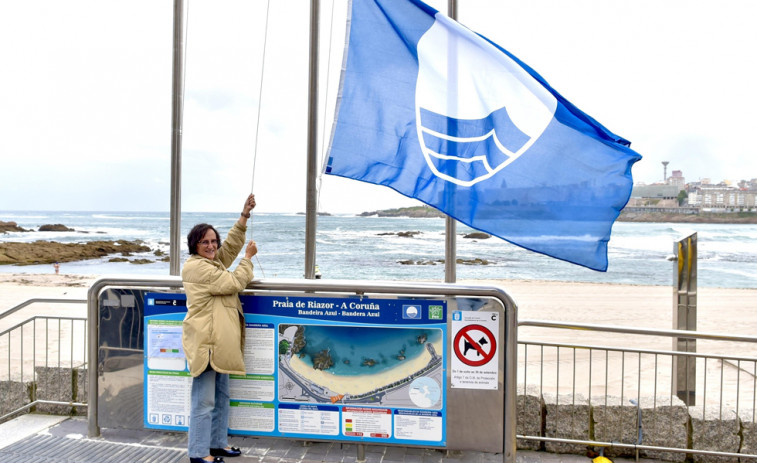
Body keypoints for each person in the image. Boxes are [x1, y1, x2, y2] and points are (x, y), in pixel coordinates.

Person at [182, 194, 258, 463]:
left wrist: (244, 216)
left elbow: (227, 252)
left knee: (221, 396)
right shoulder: (197, 269)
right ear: (195, 245)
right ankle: (198, 453)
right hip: (207, 344)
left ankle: (216, 445)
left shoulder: (210, 262)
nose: (212, 246)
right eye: (206, 242)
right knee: (204, 402)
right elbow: (235, 282)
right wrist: (248, 259)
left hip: (219, 344)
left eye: (214, 241)